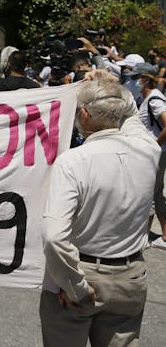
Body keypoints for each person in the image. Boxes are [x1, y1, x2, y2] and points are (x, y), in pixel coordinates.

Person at [40, 70, 158, 346]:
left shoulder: (73, 161)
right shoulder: (148, 149)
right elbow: (130, 114)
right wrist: (113, 85)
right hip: (130, 278)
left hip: (83, 273)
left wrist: (75, 286)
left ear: (83, 115)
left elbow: (55, 237)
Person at [131, 63, 166, 250]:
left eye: (137, 77)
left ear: (145, 79)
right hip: (156, 152)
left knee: (150, 192)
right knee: (156, 193)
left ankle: (144, 236)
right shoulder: (148, 98)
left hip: (157, 153)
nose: (135, 81)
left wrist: (155, 144)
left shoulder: (154, 100)